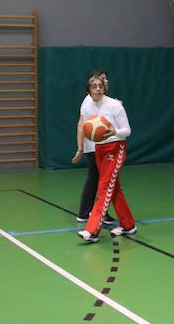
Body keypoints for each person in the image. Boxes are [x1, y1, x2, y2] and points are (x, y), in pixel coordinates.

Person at [77, 72, 137, 242]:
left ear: (105, 88)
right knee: (114, 188)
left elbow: (127, 130)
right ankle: (128, 225)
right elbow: (84, 126)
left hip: (115, 148)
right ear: (88, 89)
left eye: (100, 86)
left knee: (104, 188)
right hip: (99, 149)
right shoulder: (87, 105)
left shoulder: (115, 106)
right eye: (94, 86)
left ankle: (92, 230)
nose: (98, 89)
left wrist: (115, 132)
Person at [71, 69, 114, 226]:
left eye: (104, 82)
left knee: (95, 179)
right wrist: (80, 148)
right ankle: (97, 213)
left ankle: (85, 213)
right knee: (104, 181)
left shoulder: (105, 101)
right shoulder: (90, 102)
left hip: (100, 147)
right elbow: (81, 125)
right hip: (97, 148)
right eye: (100, 81)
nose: (102, 84)